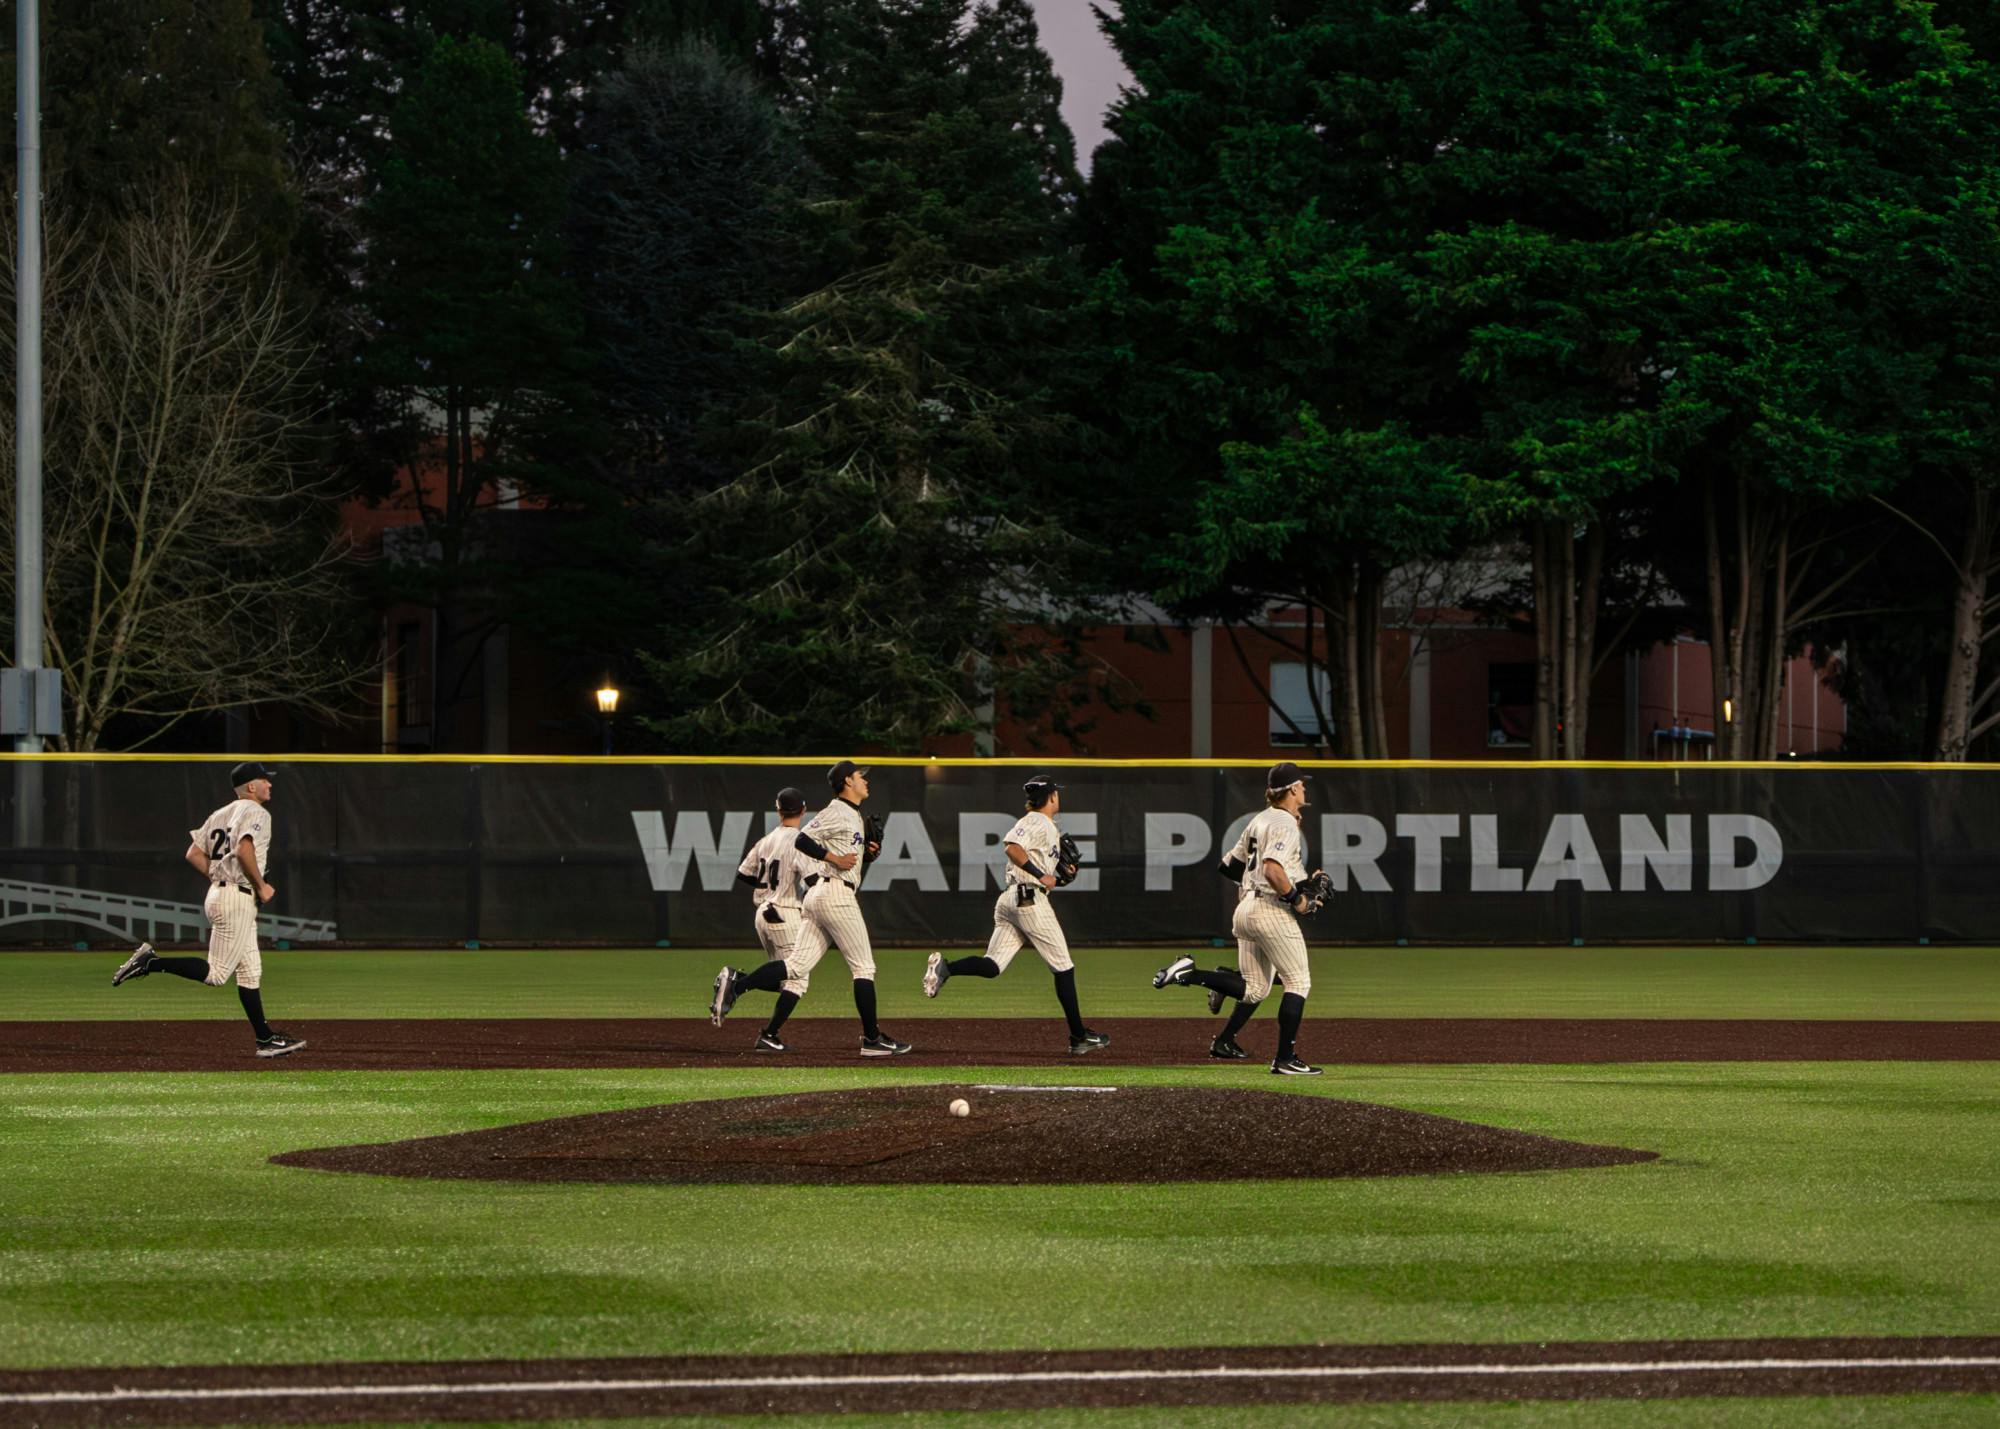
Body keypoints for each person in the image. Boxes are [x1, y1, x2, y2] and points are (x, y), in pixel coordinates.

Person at [109, 761, 306, 1058]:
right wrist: (260, 886)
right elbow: (243, 850)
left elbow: (193, 853)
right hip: (236, 898)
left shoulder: (220, 814)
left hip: (224, 894)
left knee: (250, 972)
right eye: (265, 780)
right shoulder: (255, 812)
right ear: (251, 787)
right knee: (216, 974)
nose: (270, 784)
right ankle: (150, 962)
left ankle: (265, 1040)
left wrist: (219, 877)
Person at [1153, 761, 1324, 1074]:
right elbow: (1272, 868)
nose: (1304, 788)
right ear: (1290, 790)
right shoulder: (1283, 823)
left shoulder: (1259, 819)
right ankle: (1285, 1058)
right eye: (1300, 784)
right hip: (1271, 910)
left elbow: (1229, 866)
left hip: (1246, 908)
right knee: (1298, 981)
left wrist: (1256, 885)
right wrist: (1297, 898)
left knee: (1256, 989)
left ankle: (1189, 974)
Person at [922, 775, 1108, 1056]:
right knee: (1064, 967)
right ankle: (1078, 1036)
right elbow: (1012, 848)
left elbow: (1041, 865)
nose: (1059, 796)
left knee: (992, 965)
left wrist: (1061, 874)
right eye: (1056, 792)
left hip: (1012, 899)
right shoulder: (1036, 821)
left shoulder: (1045, 826)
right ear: (1052, 797)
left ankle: (946, 968)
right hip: (1028, 900)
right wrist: (1040, 875)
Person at [752, 760, 909, 1056]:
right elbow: (802, 839)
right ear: (847, 781)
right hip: (834, 893)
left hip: (821, 895)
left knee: (797, 967)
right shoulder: (837, 810)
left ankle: (739, 986)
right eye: (860, 776)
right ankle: (873, 1039)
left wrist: (868, 855)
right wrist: (834, 860)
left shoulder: (853, 815)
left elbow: (851, 859)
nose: (866, 780)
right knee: (863, 967)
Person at [710, 787, 812, 1051]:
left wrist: (767, 886)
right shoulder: (800, 840)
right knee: (797, 979)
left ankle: (740, 983)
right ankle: (740, 989)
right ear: (803, 810)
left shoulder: (767, 839)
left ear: (778, 810)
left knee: (783, 980)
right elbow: (811, 879)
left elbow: (744, 874)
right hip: (785, 912)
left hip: (763, 914)